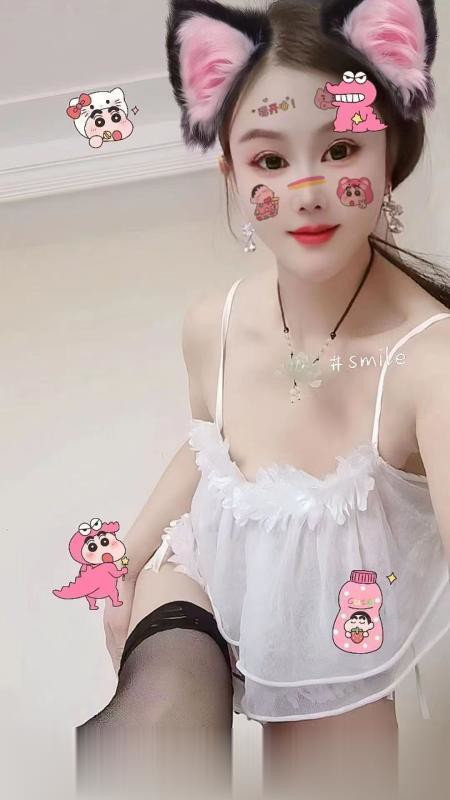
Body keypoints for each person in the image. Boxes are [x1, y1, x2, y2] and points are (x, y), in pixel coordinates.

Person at [76, 1, 450, 798]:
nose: (307, 191)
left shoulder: (431, 362)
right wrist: (127, 557)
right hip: (206, 567)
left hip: (337, 615)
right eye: (270, 160)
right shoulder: (211, 324)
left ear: (390, 154)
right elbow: (212, 446)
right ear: (233, 176)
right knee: (157, 722)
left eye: (340, 148)